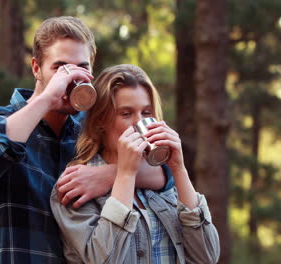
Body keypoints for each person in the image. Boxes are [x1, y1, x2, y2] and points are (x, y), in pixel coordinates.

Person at [0, 17, 165, 263]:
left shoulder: (89, 129)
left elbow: (161, 174)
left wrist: (110, 175)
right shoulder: (4, 122)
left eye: (81, 67)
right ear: (36, 68)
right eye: (60, 68)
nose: (71, 79)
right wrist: (47, 98)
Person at [50, 64, 221, 264]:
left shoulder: (163, 186)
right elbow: (107, 260)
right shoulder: (76, 186)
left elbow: (207, 257)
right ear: (100, 122)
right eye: (126, 113)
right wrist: (125, 174)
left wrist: (178, 169)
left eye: (146, 113)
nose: (139, 124)